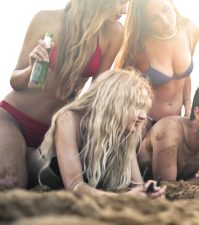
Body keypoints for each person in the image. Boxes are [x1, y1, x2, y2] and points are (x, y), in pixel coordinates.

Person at [0, 0, 128, 189]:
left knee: (51, 181)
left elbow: (95, 94)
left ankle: (24, 156)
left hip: (54, 131)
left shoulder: (114, 33)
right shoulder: (45, 19)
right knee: (11, 184)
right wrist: (31, 67)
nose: (124, 10)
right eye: (121, 2)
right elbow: (15, 82)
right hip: (14, 119)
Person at [27, 69, 165, 198]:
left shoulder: (126, 131)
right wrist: (122, 198)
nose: (143, 116)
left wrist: (148, 192)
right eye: (136, 106)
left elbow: (137, 185)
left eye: (144, 108)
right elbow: (74, 186)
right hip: (35, 177)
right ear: (115, 102)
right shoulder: (69, 120)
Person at [115, 0, 199, 127]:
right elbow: (120, 88)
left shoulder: (190, 30)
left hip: (177, 122)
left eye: (166, 10)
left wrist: (188, 105)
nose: (165, 21)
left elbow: (185, 75)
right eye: (155, 18)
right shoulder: (137, 45)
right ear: (145, 22)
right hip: (144, 123)